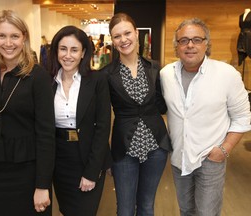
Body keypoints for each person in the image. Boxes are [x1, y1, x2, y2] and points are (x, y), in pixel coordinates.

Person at [160, 18, 251, 216]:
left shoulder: (227, 75)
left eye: (196, 39)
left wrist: (224, 150)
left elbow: (243, 117)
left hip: (210, 159)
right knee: (186, 210)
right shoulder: (166, 74)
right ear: (176, 46)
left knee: (207, 213)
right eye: (183, 40)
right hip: (179, 158)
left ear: (206, 43)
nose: (190, 45)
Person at [0, 10, 55, 216]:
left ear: (24, 37)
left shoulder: (38, 76)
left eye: (14, 36)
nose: (9, 43)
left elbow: (46, 135)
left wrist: (42, 185)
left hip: (26, 172)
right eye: (2, 36)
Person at [100, 13, 172, 216]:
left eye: (127, 33)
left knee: (147, 205)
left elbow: (162, 105)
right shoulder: (106, 75)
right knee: (124, 209)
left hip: (156, 146)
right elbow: (103, 119)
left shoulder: (155, 68)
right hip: (124, 149)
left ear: (136, 33)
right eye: (117, 36)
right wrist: (105, 156)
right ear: (112, 42)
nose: (123, 39)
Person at [49, 25, 112, 216]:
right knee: (67, 210)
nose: (68, 55)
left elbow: (103, 128)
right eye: (63, 49)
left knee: (85, 211)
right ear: (56, 51)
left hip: (88, 157)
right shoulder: (47, 82)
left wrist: (92, 172)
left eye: (74, 50)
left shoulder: (97, 80)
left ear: (83, 52)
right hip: (59, 160)